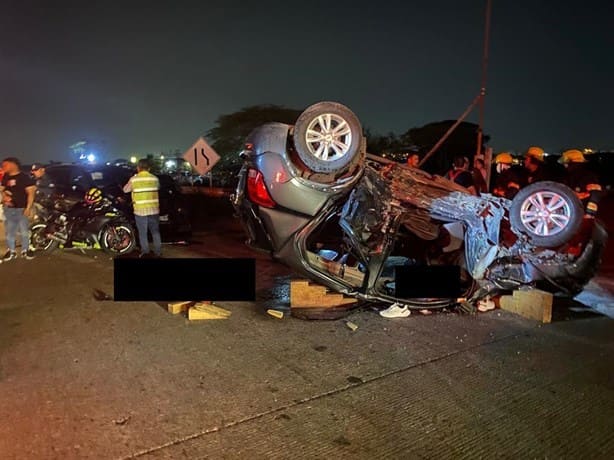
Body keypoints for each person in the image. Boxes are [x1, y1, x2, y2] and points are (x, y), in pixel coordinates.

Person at [123, 158, 161, 257]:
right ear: (149, 168)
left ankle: (145, 251)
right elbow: (158, 187)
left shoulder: (134, 179)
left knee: (142, 232)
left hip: (140, 210)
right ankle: (158, 252)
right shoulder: (155, 179)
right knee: (155, 231)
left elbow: (125, 190)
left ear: (138, 168)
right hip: (154, 209)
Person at [0, 157, 36, 261]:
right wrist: (4, 195)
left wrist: (28, 208)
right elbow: (2, 189)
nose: (3, 167)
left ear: (13, 165)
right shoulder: (6, 176)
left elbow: (31, 193)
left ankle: (25, 250)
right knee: (9, 232)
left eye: (5, 165)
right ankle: (11, 251)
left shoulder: (24, 178)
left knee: (24, 231)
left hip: (22, 209)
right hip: (9, 209)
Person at [559, 149, 602, 217]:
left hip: (583, 212)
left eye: (566, 163)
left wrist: (590, 213)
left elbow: (595, 195)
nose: (564, 165)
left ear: (572, 162)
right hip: (571, 213)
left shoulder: (588, 176)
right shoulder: (568, 176)